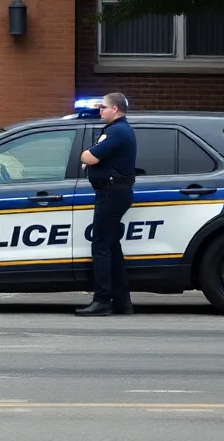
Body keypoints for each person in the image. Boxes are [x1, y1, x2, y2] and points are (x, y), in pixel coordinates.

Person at [76, 92, 137, 316]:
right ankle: (122, 302)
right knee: (112, 246)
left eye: (103, 107)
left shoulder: (117, 131)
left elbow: (90, 158)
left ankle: (102, 300)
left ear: (116, 109)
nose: (100, 111)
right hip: (115, 192)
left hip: (111, 194)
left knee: (100, 246)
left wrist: (85, 155)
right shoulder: (119, 130)